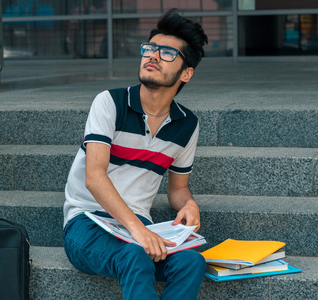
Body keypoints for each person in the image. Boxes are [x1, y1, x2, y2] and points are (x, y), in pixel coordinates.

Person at [63, 9, 208, 300]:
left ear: (186, 73)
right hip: (87, 222)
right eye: (149, 49)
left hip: (138, 226)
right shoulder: (110, 103)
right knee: (134, 255)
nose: (153, 56)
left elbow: (178, 189)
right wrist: (138, 231)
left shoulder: (187, 125)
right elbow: (94, 177)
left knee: (192, 262)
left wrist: (189, 204)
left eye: (167, 53)